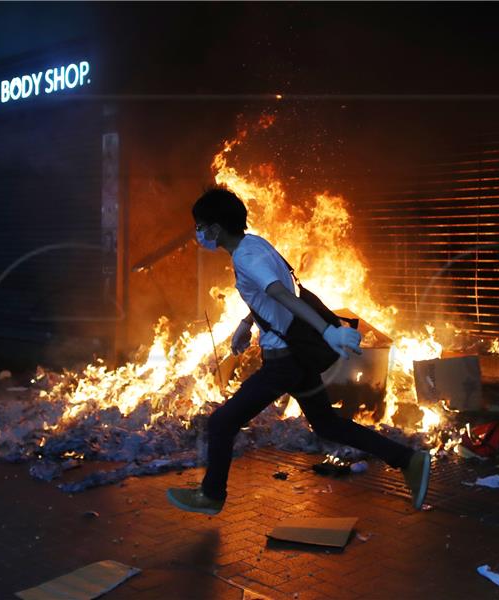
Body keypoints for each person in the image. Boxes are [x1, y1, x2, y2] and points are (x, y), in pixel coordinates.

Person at [166, 187, 430, 515]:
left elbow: (280, 293)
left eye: (200, 226)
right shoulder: (255, 244)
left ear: (216, 228)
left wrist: (328, 330)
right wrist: (247, 323)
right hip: (295, 356)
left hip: (283, 362)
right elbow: (272, 293)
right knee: (327, 424)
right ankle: (409, 460)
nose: (199, 233)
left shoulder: (246, 257)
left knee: (221, 423)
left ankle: (211, 495)